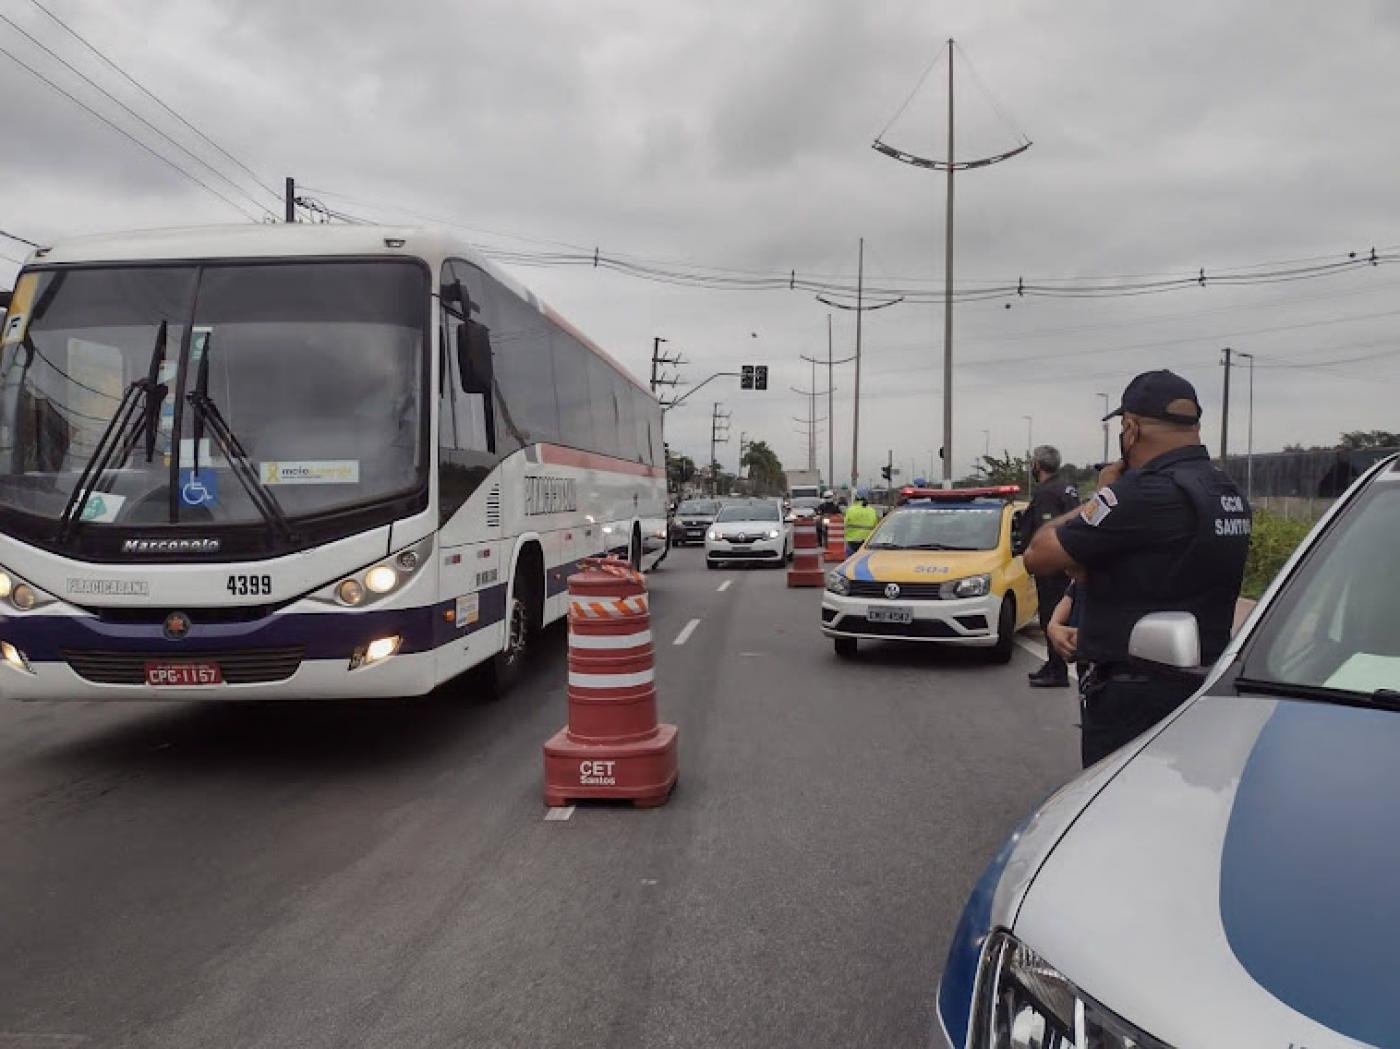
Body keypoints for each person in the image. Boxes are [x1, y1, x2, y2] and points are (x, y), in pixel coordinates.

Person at [1025, 369, 1252, 768]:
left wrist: (1104, 494)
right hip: (1201, 684)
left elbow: (1039, 553)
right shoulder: (1224, 490)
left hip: (1134, 697)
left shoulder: (1144, 493)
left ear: (1130, 429)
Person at [1020, 445, 1082, 688]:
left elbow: (1047, 531)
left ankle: (1057, 670)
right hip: (1068, 564)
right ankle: (1053, 664)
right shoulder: (1066, 487)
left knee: (1050, 617)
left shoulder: (1047, 493)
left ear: (1037, 465)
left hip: (1054, 567)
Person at [843, 488, 879, 556]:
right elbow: (876, 527)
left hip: (852, 542)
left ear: (856, 497)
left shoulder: (850, 510)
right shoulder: (872, 511)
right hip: (866, 543)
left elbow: (844, 524)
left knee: (850, 564)